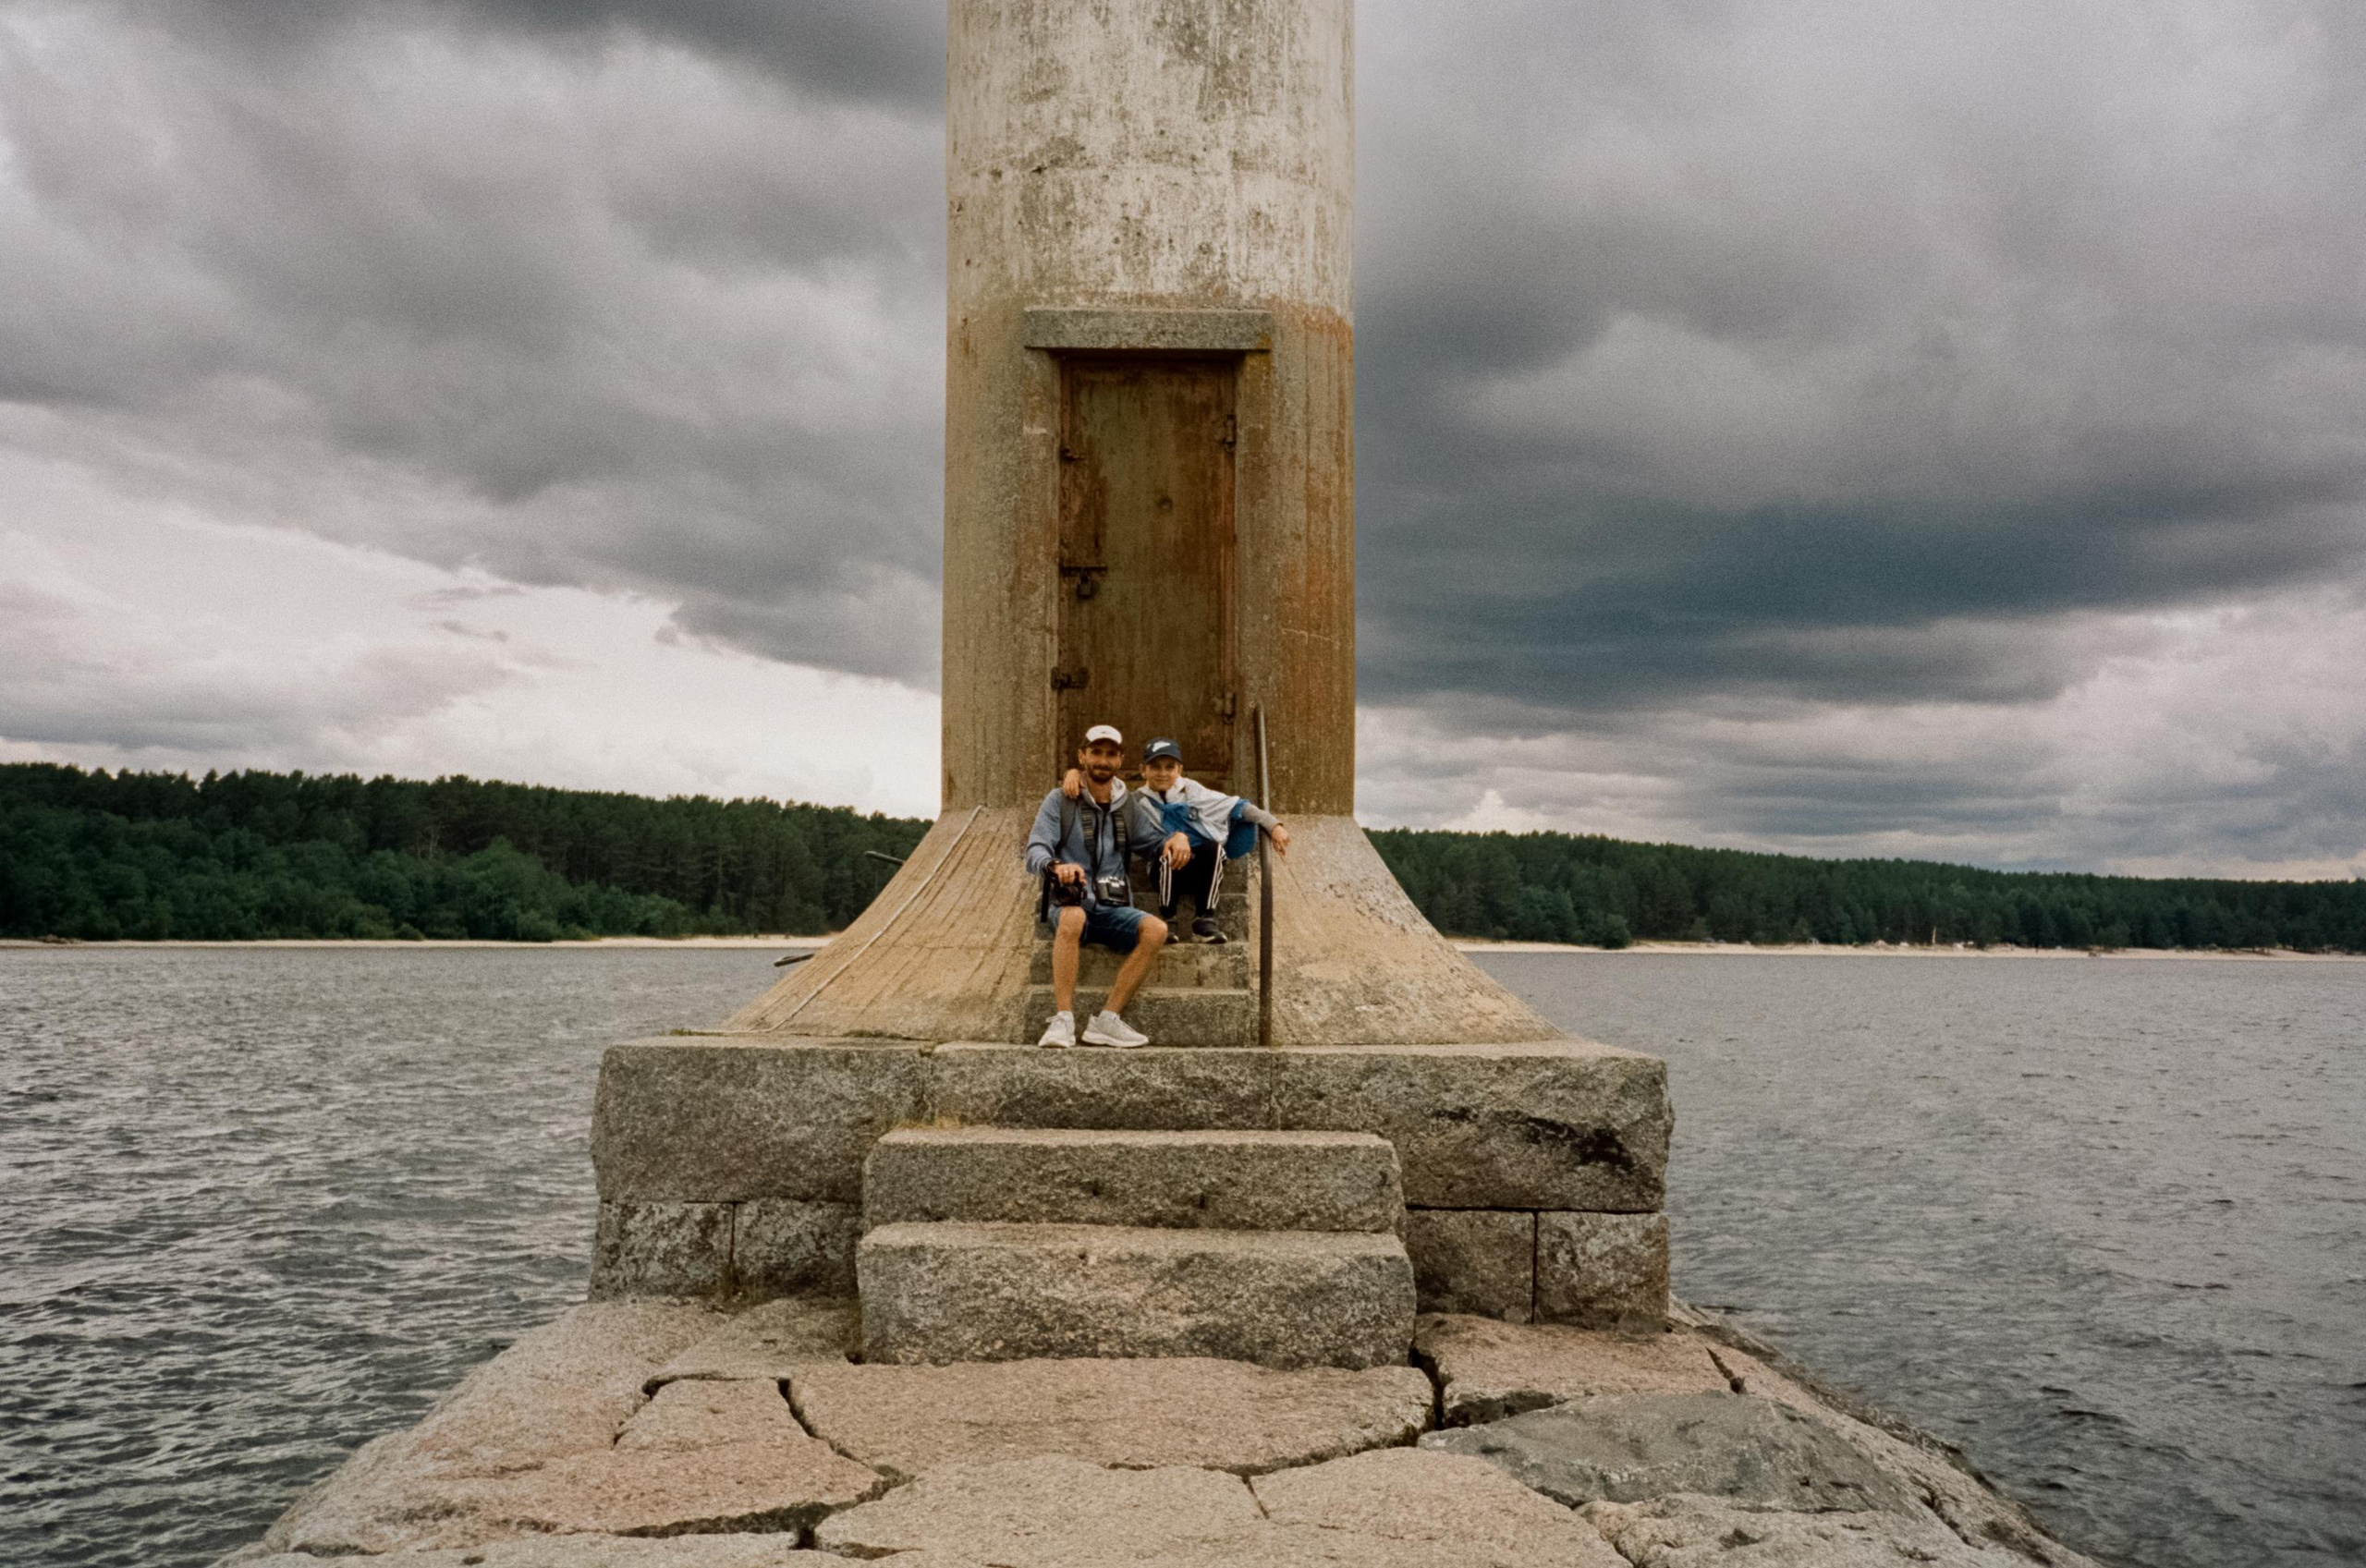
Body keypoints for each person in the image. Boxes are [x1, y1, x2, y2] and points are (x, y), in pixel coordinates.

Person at [1024, 723, 1168, 1048]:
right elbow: (1035, 849)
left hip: (1114, 905)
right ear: (1082, 756)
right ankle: (1063, 1019)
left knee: (1156, 930)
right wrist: (1057, 867)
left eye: (1111, 754)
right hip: (1073, 903)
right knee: (1073, 917)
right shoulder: (1060, 799)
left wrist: (1177, 840)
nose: (1103, 760)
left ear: (1121, 761)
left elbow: (1152, 842)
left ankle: (1107, 1020)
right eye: (1096, 752)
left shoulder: (1128, 804)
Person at [1063, 736, 1288, 943]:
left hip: (1199, 868)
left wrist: (1273, 825)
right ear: (1143, 770)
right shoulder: (1137, 800)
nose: (1163, 773)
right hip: (1165, 870)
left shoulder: (1193, 792)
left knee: (1215, 849)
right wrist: (1074, 774)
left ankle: (1204, 918)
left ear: (1180, 770)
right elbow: (1101, 788)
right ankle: (1168, 918)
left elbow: (1238, 806)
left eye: (1169, 767)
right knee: (1165, 851)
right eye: (1155, 767)